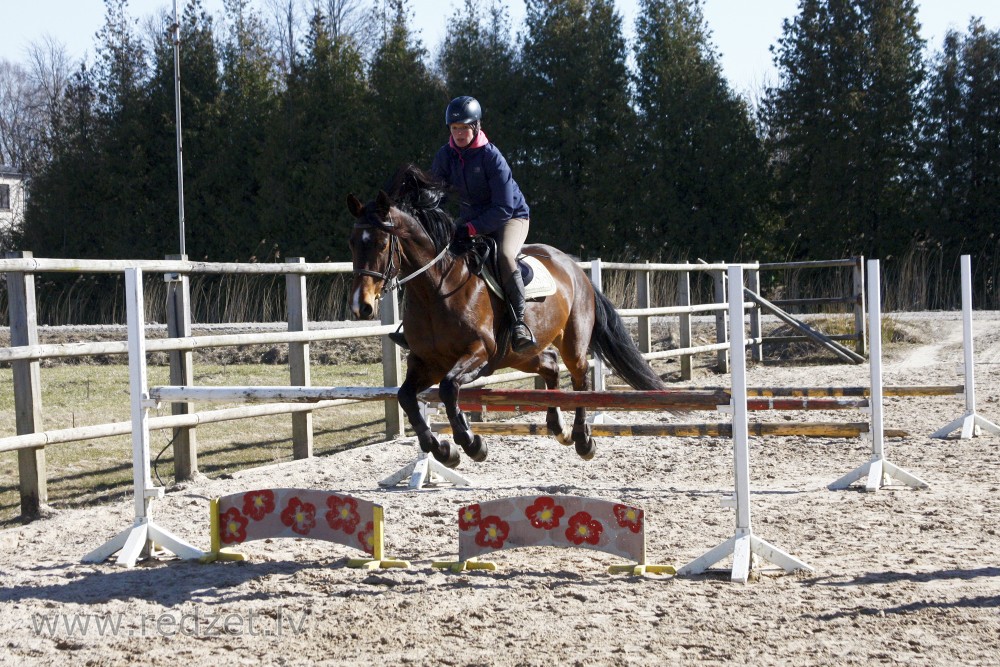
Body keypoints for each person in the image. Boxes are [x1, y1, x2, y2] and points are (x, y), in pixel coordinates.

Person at [389, 96, 536, 353]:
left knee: (504, 256)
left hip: (511, 217)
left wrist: (469, 229)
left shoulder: (493, 159)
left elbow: (503, 208)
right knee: (433, 257)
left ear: (476, 127)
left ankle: (519, 323)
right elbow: (437, 194)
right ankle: (416, 325)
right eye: (454, 128)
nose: (458, 133)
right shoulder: (446, 155)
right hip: (472, 218)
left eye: (463, 128)